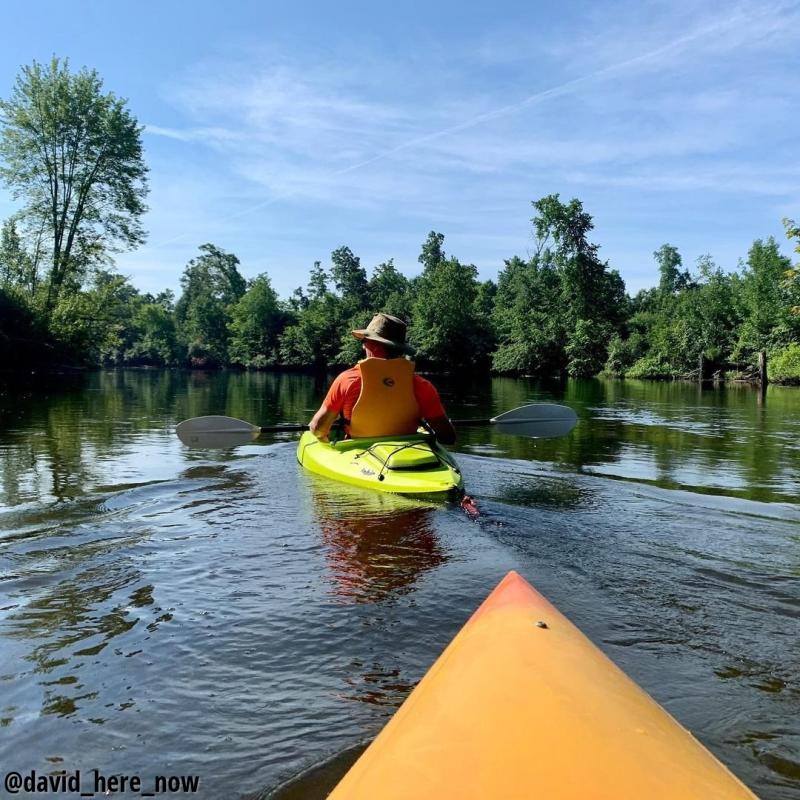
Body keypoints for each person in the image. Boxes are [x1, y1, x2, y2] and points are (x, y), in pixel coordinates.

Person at [308, 313, 456, 445]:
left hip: (359, 454)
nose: (363, 347)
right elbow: (448, 438)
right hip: (409, 450)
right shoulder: (422, 385)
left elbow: (318, 430)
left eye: (364, 341)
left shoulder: (347, 380)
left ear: (374, 345)